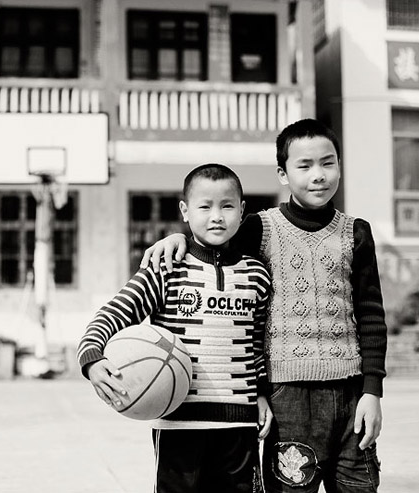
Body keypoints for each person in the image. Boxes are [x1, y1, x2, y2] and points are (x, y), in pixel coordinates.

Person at [140, 119, 387, 493]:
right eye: (304, 166)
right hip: (286, 397)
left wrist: (372, 391)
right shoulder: (259, 228)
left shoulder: (357, 232)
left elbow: (371, 316)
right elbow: (212, 243)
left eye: (328, 163)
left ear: (340, 165)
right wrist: (178, 235)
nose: (318, 175)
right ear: (282, 174)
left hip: (351, 394)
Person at [78, 163, 273, 493]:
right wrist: (92, 359)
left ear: (242, 211)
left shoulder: (256, 274)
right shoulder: (165, 269)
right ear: (185, 211)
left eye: (227, 206)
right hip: (179, 424)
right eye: (204, 206)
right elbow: (111, 315)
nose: (216, 216)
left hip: (239, 424)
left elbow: (256, 345)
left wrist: (263, 393)